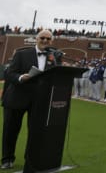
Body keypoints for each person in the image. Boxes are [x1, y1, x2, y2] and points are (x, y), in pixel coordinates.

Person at [2, 29, 61, 171]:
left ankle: (31, 159)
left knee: (36, 132)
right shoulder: (22, 54)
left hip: (40, 101)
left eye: (48, 39)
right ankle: (7, 159)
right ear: (36, 39)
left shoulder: (54, 57)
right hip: (16, 98)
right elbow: (10, 73)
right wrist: (22, 77)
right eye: (43, 38)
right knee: (10, 131)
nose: (45, 41)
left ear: (51, 41)